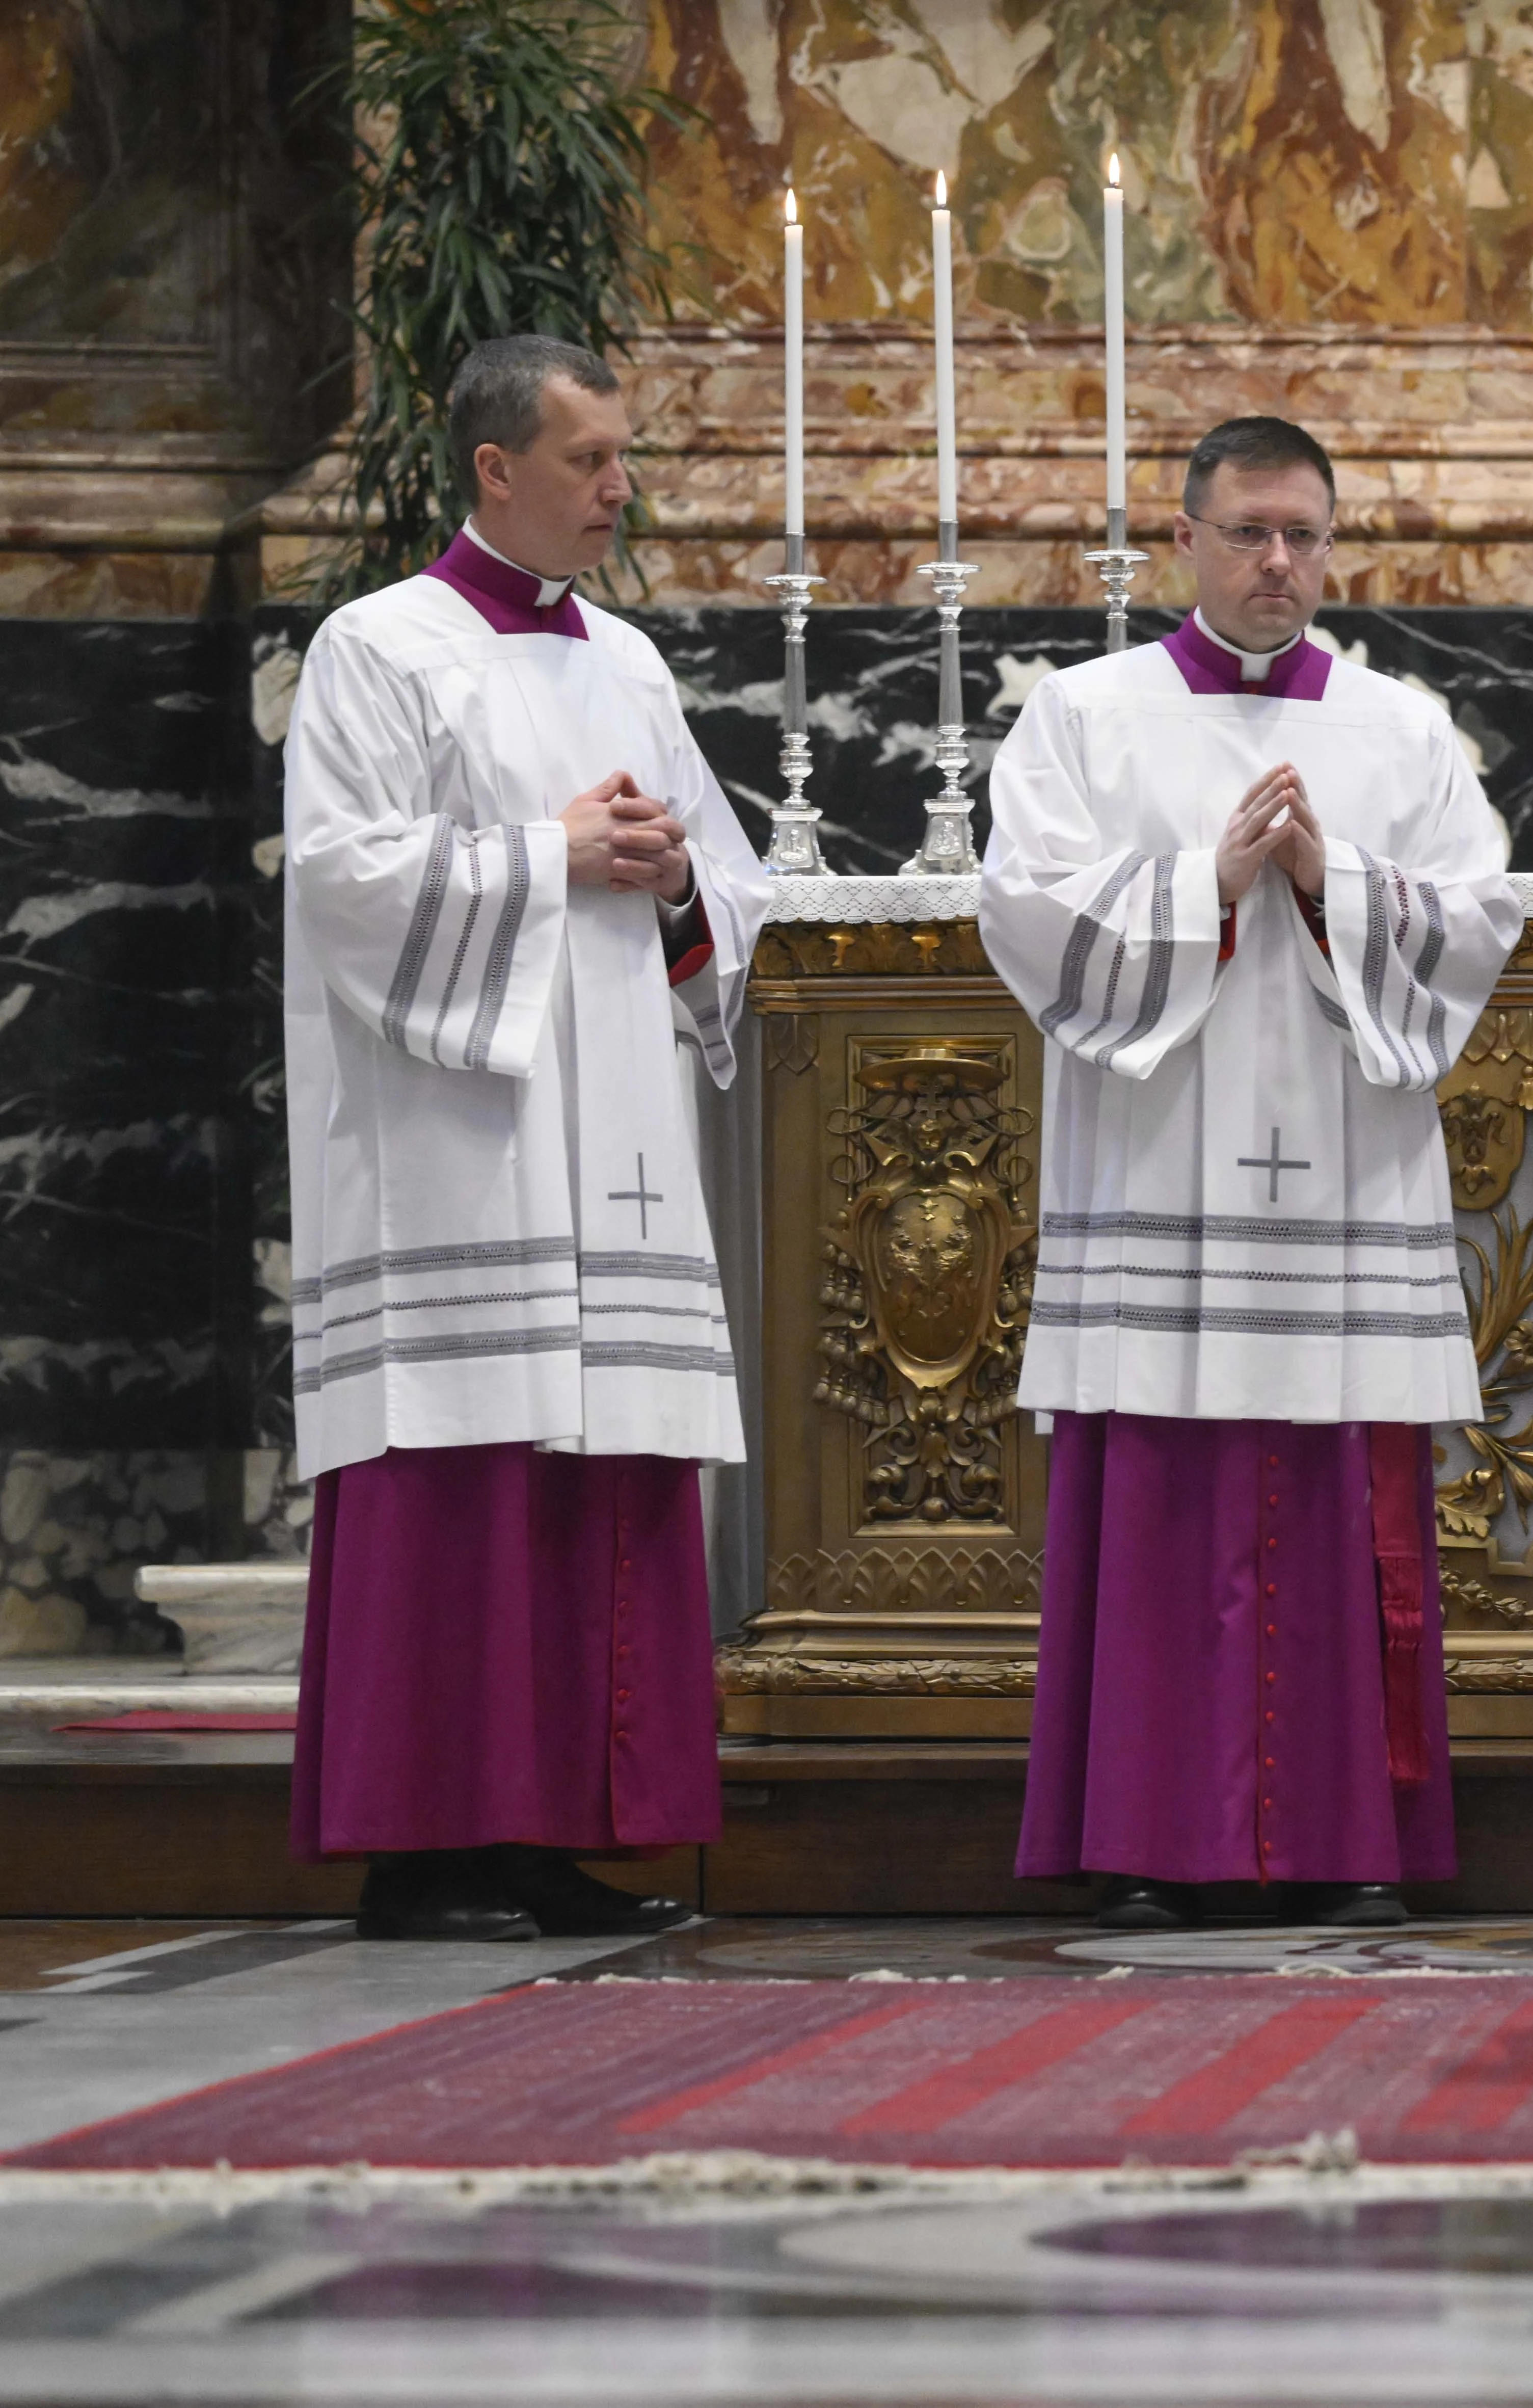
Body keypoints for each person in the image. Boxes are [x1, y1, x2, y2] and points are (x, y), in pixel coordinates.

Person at [985, 415, 1519, 1931]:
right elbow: (1023, 915)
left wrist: (1324, 877)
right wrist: (1206, 882)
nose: (1275, 561)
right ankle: (1157, 1837)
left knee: (1339, 1500)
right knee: (1164, 1498)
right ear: (1186, 540)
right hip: (1162, 1177)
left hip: (1341, 1185)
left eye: (1300, 532)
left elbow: (1476, 922)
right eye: (1245, 532)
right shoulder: (1083, 718)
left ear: (1331, 542)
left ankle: (1351, 1837)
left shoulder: (1401, 730)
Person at [281, 334, 766, 1941]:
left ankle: (558, 1826)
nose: (620, 487)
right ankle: (426, 1850)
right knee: (462, 1480)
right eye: (591, 460)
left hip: (611, 1119)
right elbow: (344, 883)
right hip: (459, 1139)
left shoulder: (626, 662)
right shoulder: (381, 645)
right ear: (497, 471)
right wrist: (546, 853)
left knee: (599, 1478)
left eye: (621, 456)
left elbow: (723, 878)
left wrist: (680, 878)